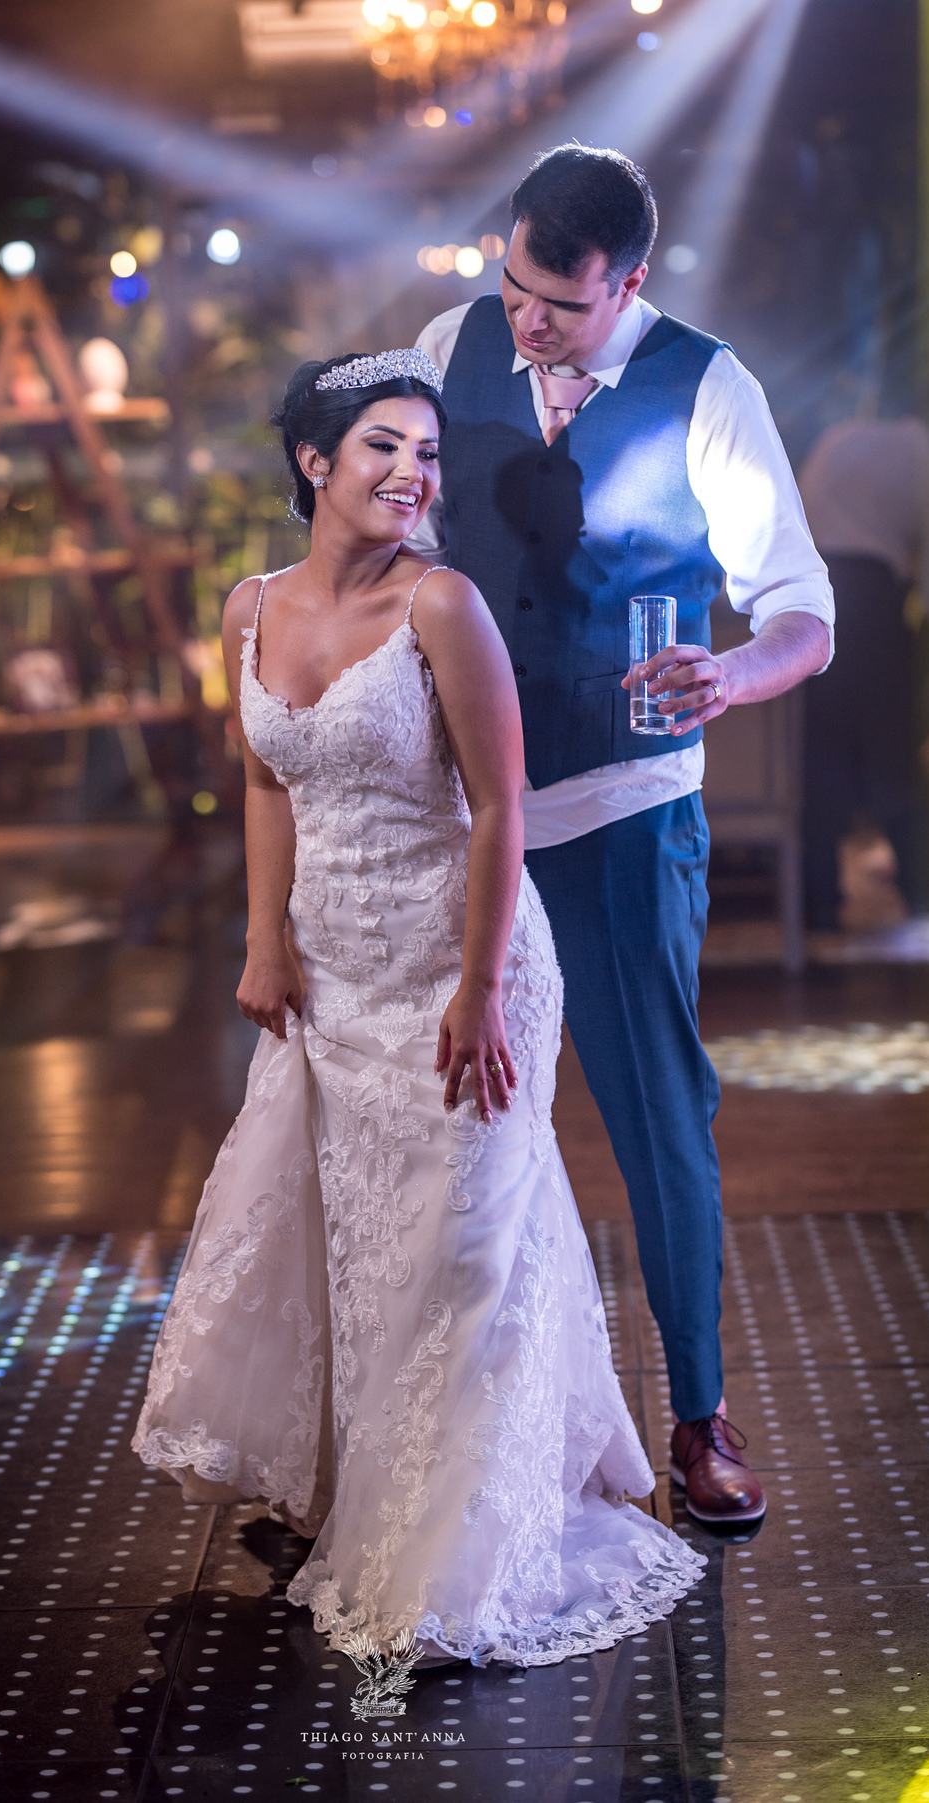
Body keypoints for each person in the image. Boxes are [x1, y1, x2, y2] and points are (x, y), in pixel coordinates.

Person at [134, 348, 703, 1670]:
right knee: (359, 1244)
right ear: (314, 462)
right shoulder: (249, 608)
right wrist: (264, 937)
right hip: (333, 977)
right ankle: (367, 1488)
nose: (412, 473)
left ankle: (456, 1553)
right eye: (383, 446)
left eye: (428, 453)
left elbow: (502, 807)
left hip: (465, 968)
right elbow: (266, 782)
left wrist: (481, 989)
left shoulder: (442, 605)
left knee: (461, 1256)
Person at [409, 145, 835, 1525]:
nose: (528, 322)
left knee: (659, 1113)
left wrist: (735, 671)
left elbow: (803, 611)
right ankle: (440, 1433)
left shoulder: (710, 385)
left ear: (631, 282)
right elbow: (397, 540)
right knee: (440, 1118)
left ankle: (700, 1419)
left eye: (562, 304)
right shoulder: (448, 346)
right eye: (514, 288)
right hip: (461, 810)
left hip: (625, 808)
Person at [798, 414, 929, 928]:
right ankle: (921, 894)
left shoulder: (835, 439)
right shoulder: (921, 450)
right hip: (872, 600)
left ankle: (817, 902)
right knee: (892, 749)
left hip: (811, 598)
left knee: (819, 752)